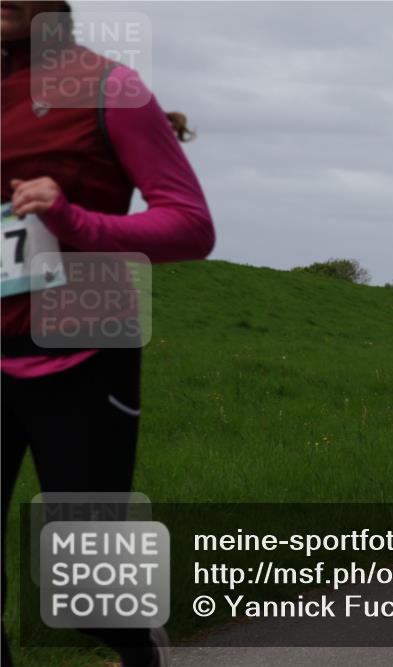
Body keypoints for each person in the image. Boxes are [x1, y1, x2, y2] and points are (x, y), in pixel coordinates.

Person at [1, 3, 215, 666]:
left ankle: (137, 644)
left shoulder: (110, 89)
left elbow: (190, 225)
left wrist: (75, 220)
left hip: (82, 353)